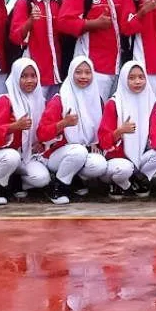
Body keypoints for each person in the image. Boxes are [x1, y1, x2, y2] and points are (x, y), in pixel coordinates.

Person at [37, 56, 110, 204]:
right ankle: (58, 187)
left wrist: (96, 142)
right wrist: (63, 123)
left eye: (87, 72)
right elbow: (41, 134)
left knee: (99, 165)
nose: (83, 77)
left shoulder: (97, 99)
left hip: (82, 152)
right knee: (78, 151)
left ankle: (74, 178)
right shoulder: (60, 99)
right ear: (71, 73)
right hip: (57, 154)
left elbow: (101, 129)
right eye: (78, 72)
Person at [0, 57, 51, 204]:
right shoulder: (5, 101)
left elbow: (43, 129)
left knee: (42, 179)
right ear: (15, 77)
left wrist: (41, 143)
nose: (29, 80)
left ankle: (15, 180)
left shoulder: (40, 102)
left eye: (33, 76)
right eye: (24, 76)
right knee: (11, 157)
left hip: (27, 155)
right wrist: (13, 127)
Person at [59, 0, 124, 98]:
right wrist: (93, 24)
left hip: (117, 65)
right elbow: (63, 23)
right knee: (94, 114)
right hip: (92, 68)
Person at [99, 60, 156, 198]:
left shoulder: (149, 101)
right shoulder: (114, 104)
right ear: (124, 79)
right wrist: (120, 131)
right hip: (116, 160)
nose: (137, 81)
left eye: (141, 77)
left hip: (139, 158)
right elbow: (103, 141)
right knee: (124, 168)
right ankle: (118, 182)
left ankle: (137, 179)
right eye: (131, 78)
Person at [9, 0, 65, 97]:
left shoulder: (58, 2)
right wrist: (30, 21)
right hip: (35, 73)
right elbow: (15, 37)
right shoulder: (24, 2)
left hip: (58, 70)